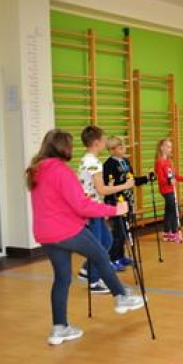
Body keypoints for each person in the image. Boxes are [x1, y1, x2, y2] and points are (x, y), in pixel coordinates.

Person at [26, 130, 145, 345]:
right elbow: (81, 205)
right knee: (101, 255)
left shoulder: (37, 169)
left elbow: (60, 202)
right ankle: (121, 296)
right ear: (64, 148)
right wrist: (115, 210)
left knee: (62, 278)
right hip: (66, 230)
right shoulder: (61, 171)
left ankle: (59, 329)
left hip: (45, 233)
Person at [75, 126, 135, 294]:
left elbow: (95, 188)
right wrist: (124, 185)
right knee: (99, 246)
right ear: (96, 143)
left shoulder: (88, 159)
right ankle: (94, 281)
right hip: (91, 209)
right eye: (103, 140)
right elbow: (101, 190)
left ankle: (87, 269)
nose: (105, 143)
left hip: (95, 207)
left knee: (107, 241)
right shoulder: (93, 163)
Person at [103, 136, 148, 266]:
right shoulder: (109, 164)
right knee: (118, 231)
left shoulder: (126, 161)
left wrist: (145, 179)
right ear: (112, 150)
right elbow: (107, 185)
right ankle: (112, 259)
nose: (123, 149)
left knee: (125, 230)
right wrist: (119, 188)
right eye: (120, 147)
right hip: (115, 201)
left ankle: (120, 256)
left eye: (124, 146)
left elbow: (131, 180)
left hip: (127, 200)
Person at [154, 138, 183, 243]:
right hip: (165, 190)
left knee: (169, 211)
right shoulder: (159, 162)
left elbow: (176, 176)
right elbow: (160, 179)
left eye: (170, 147)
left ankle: (167, 233)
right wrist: (169, 181)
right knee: (175, 210)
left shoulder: (169, 162)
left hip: (171, 189)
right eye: (168, 146)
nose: (170, 149)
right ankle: (175, 233)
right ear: (162, 148)